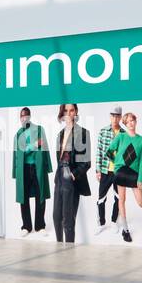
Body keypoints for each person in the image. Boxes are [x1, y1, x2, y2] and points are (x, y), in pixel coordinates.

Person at [111, 112, 142, 243]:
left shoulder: (141, 140)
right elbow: (109, 151)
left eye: (132, 120)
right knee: (121, 200)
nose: (130, 123)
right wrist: (117, 164)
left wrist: (140, 179)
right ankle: (125, 230)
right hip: (121, 172)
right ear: (125, 123)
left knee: (140, 201)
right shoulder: (121, 137)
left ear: (135, 121)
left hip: (134, 173)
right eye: (128, 121)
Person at [51, 103, 91, 243]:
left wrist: (73, 175)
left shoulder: (83, 133)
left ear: (76, 112)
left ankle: (68, 252)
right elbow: (59, 159)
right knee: (56, 217)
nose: (69, 113)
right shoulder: (60, 134)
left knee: (68, 219)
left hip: (71, 176)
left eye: (71, 110)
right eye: (66, 111)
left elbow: (86, 162)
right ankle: (59, 246)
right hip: (59, 176)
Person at [12, 107, 51, 236]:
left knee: (41, 196)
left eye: (26, 116)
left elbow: (45, 149)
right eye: (22, 117)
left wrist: (48, 166)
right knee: (24, 198)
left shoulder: (39, 130)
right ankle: (26, 226)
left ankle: (40, 226)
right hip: (23, 169)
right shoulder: (18, 134)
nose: (24, 119)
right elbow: (17, 153)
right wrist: (34, 145)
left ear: (30, 117)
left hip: (37, 167)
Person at [95, 106, 124, 230]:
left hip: (119, 172)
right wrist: (98, 170)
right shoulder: (103, 131)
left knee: (118, 197)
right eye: (113, 116)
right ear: (110, 116)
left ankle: (114, 221)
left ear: (120, 117)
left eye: (117, 116)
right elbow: (99, 151)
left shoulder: (124, 134)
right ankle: (101, 223)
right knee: (101, 198)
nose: (115, 118)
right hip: (106, 170)